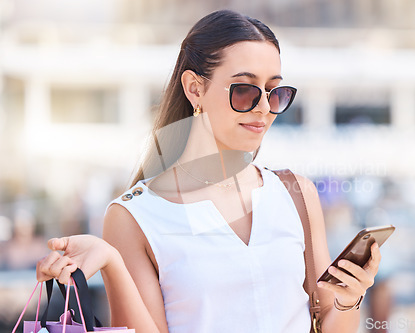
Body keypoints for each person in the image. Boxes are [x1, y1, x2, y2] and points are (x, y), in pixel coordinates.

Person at [36, 9, 381, 333]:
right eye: (244, 90)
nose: (264, 108)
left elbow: (325, 324)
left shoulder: (297, 193)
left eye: (274, 92)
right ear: (194, 88)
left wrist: (348, 300)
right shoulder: (134, 216)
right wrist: (112, 264)